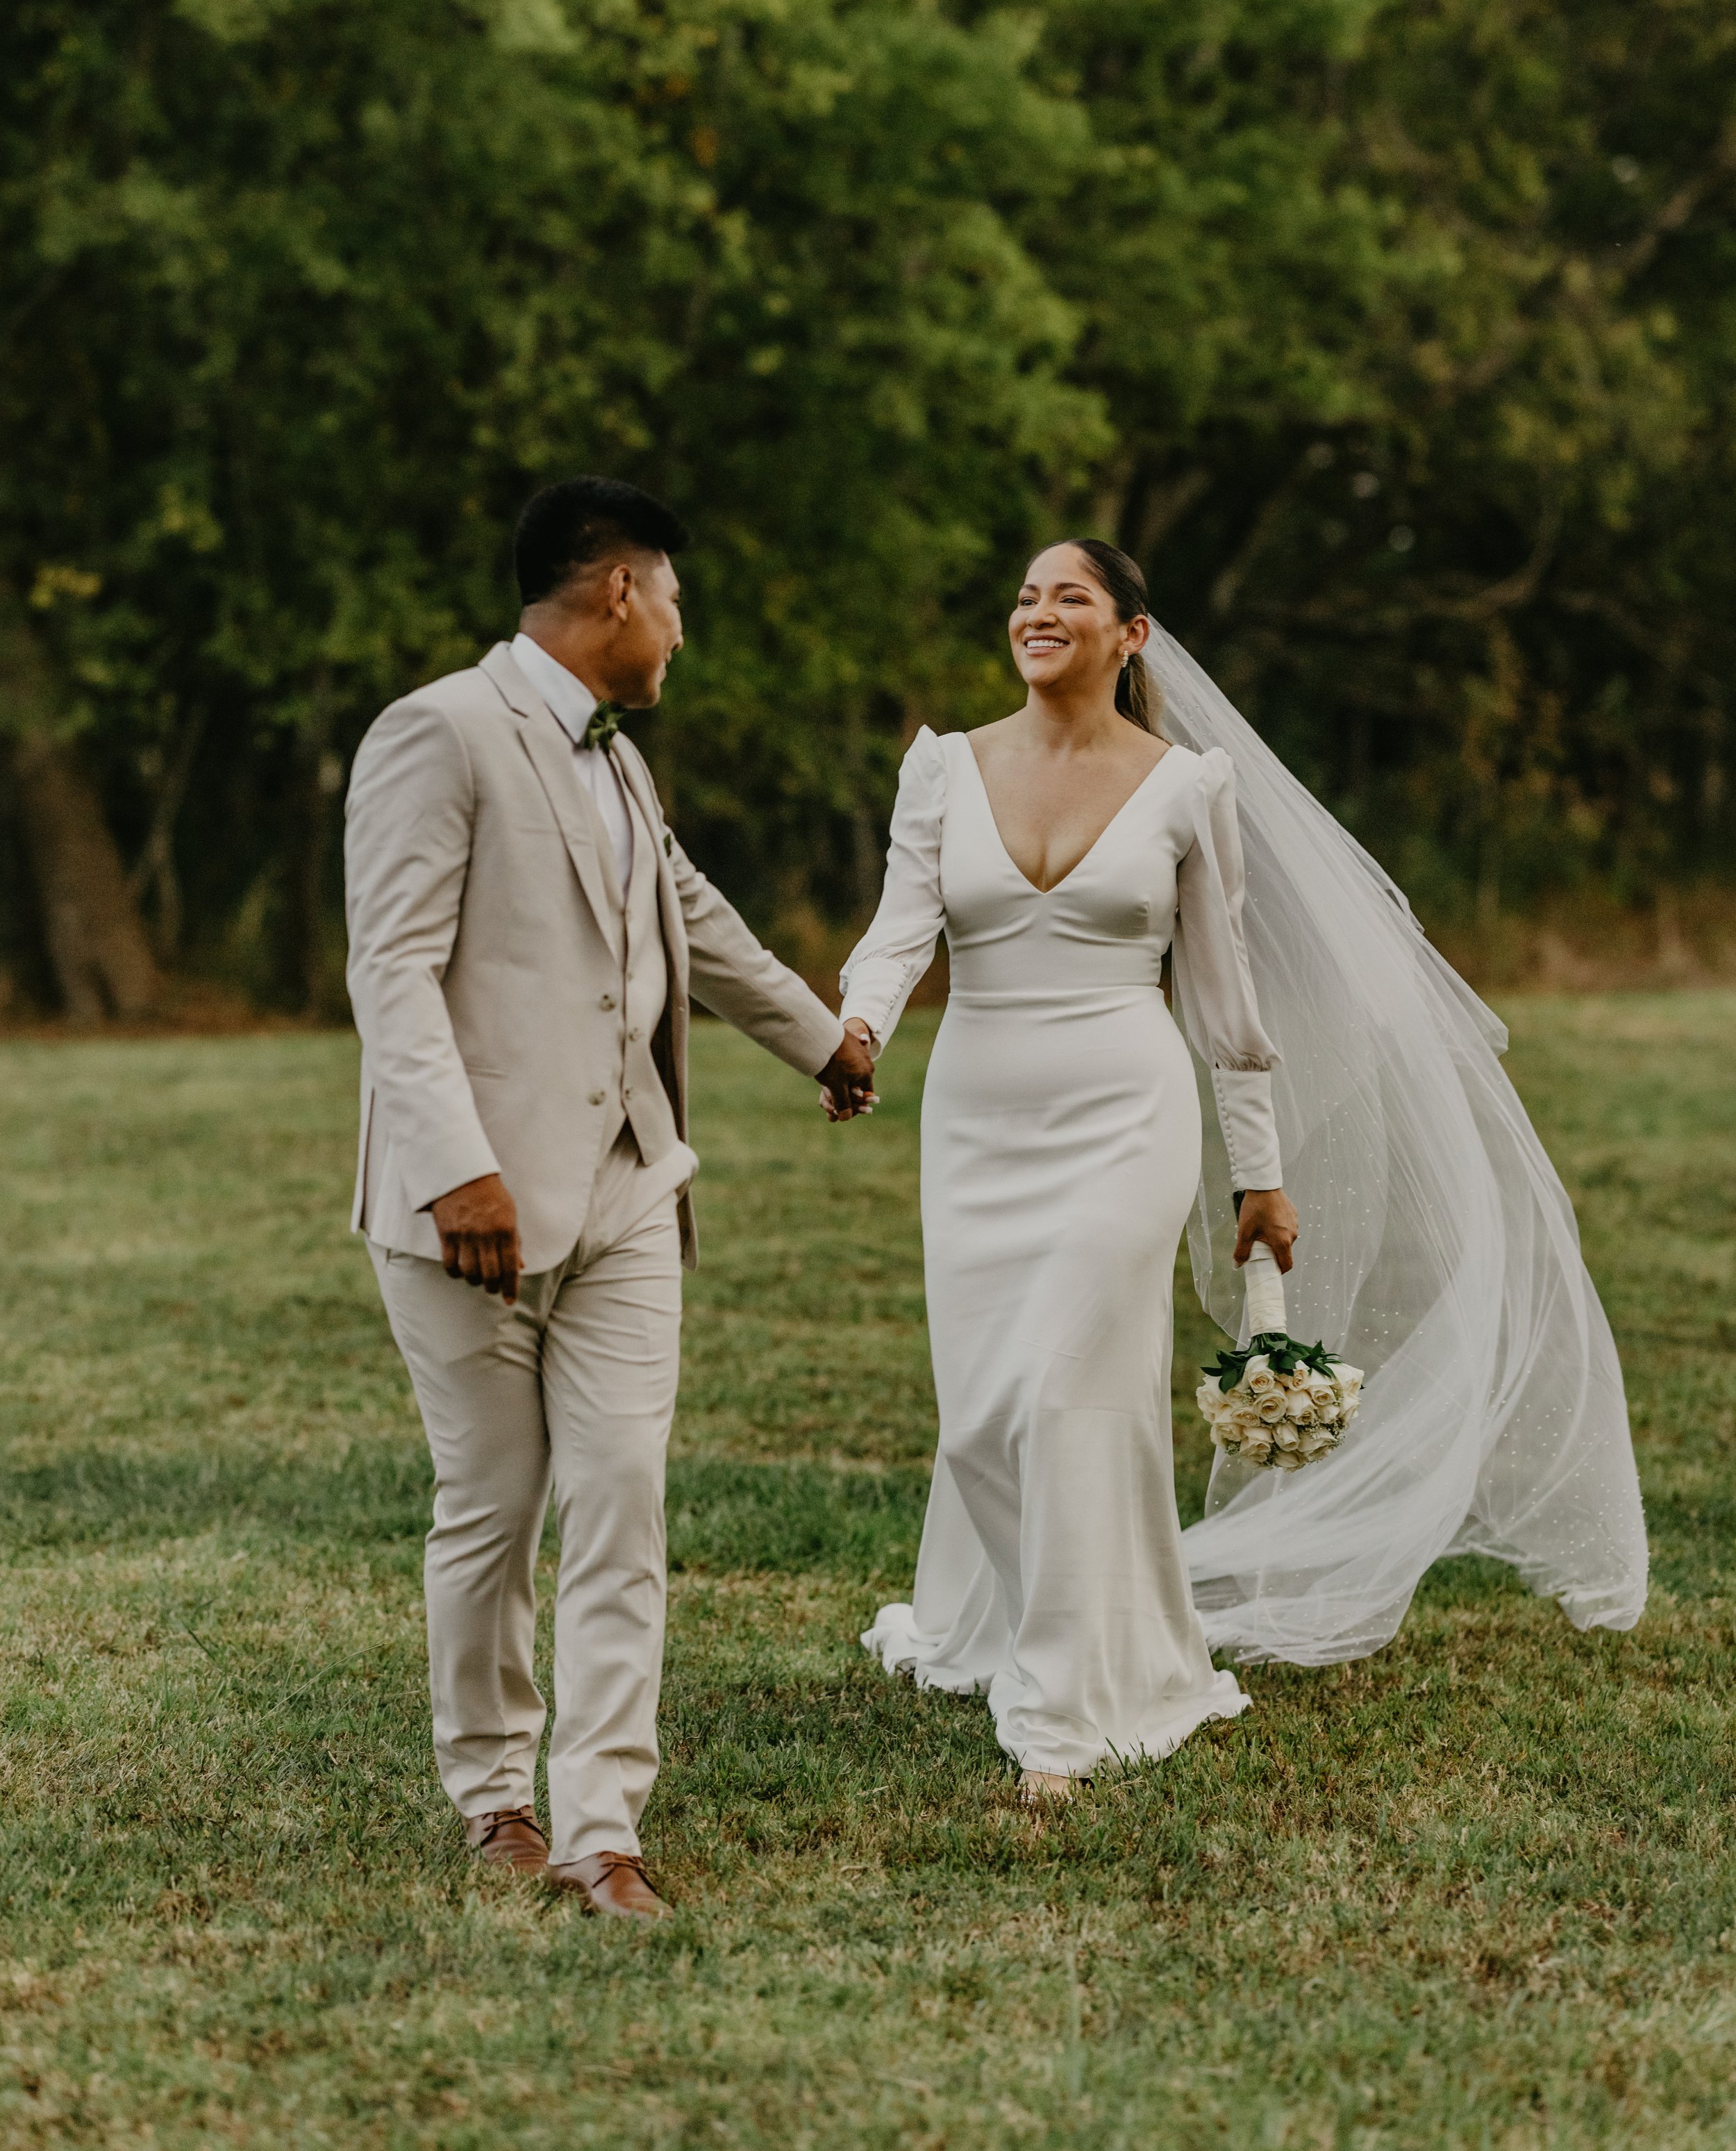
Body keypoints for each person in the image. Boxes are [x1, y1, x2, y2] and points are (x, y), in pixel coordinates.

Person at [843, 538, 1646, 1800]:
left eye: (1071, 597)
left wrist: (1257, 1175)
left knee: (1070, 1390)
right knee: (987, 1413)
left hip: (1125, 1113)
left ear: (1131, 636)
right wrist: (856, 1031)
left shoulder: (1183, 786)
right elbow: (896, 937)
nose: (1037, 612)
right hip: (978, 1120)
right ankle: (1043, 1621)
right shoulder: (944, 768)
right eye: (1024, 597)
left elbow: (1225, 997)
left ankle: (1062, 1704)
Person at [344, 477, 875, 1914]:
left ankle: (601, 1830)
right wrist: (456, 1165)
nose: (680, 642)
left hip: (634, 1187)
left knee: (624, 1499)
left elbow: (688, 915)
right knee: (494, 1508)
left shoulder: (622, 763)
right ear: (619, 593)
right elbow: (387, 967)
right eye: (677, 607)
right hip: (475, 1209)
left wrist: (822, 1038)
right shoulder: (439, 730)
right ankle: (493, 1796)